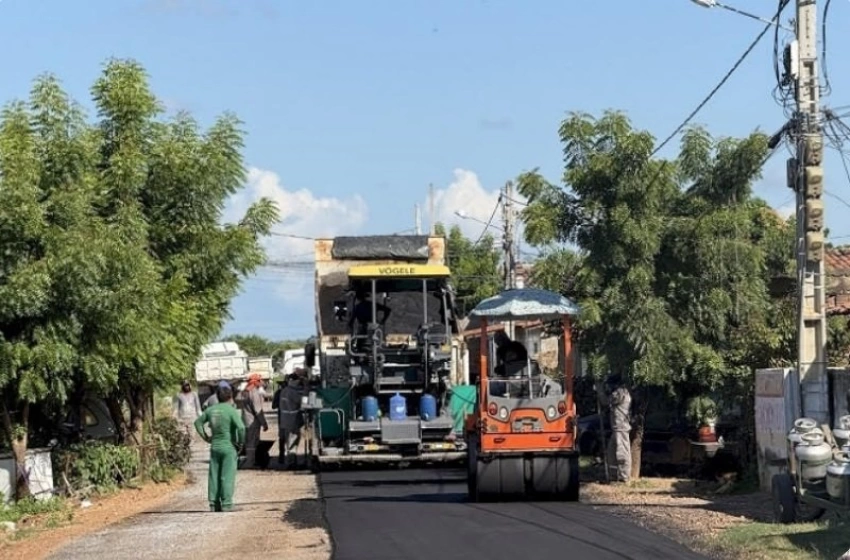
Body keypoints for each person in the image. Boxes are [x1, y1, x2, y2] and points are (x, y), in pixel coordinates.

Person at [194, 383, 245, 512]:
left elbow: (198, 423)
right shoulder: (231, 410)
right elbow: (241, 428)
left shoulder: (211, 410)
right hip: (229, 447)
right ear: (230, 396)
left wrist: (206, 437)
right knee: (227, 475)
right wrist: (240, 443)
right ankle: (227, 504)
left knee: (214, 475)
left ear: (217, 396)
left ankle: (214, 504)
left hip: (215, 446)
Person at [272, 371, 305, 468]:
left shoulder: (283, 391)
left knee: (288, 441)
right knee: (292, 441)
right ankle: (291, 463)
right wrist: (306, 389)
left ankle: (290, 460)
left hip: (285, 421)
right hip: (293, 421)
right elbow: (302, 402)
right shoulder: (293, 392)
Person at [603, 373, 632, 483]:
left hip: (621, 428)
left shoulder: (620, 393)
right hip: (617, 428)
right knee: (611, 453)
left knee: (622, 453)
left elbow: (605, 401)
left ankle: (624, 477)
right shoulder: (621, 392)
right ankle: (613, 476)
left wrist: (600, 390)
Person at [241, 372, 268, 468]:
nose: (262, 382)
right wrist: (264, 423)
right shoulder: (254, 392)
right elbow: (257, 410)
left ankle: (252, 460)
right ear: (256, 381)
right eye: (260, 381)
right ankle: (250, 462)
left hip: (246, 420)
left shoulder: (245, 391)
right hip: (253, 422)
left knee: (249, 441)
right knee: (252, 442)